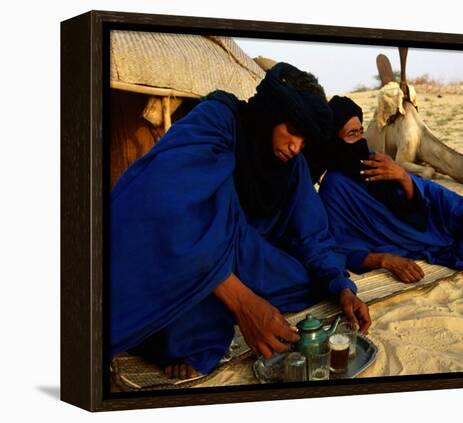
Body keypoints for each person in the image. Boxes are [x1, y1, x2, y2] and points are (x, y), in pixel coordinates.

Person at [109, 64, 371, 380]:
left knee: (310, 281)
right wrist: (243, 302)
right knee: (186, 321)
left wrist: (341, 286)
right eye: (293, 131)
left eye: (305, 141)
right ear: (271, 112)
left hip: (245, 255)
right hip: (186, 249)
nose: (295, 147)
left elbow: (312, 233)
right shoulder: (217, 122)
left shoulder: (292, 165)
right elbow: (159, 205)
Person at [310, 96, 463, 283]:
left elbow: (418, 200)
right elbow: (338, 247)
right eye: (351, 134)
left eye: (360, 131)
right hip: (417, 237)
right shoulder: (334, 188)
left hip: (434, 210)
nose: (360, 140)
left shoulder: (374, 159)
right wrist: (385, 259)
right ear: (336, 139)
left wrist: (402, 176)